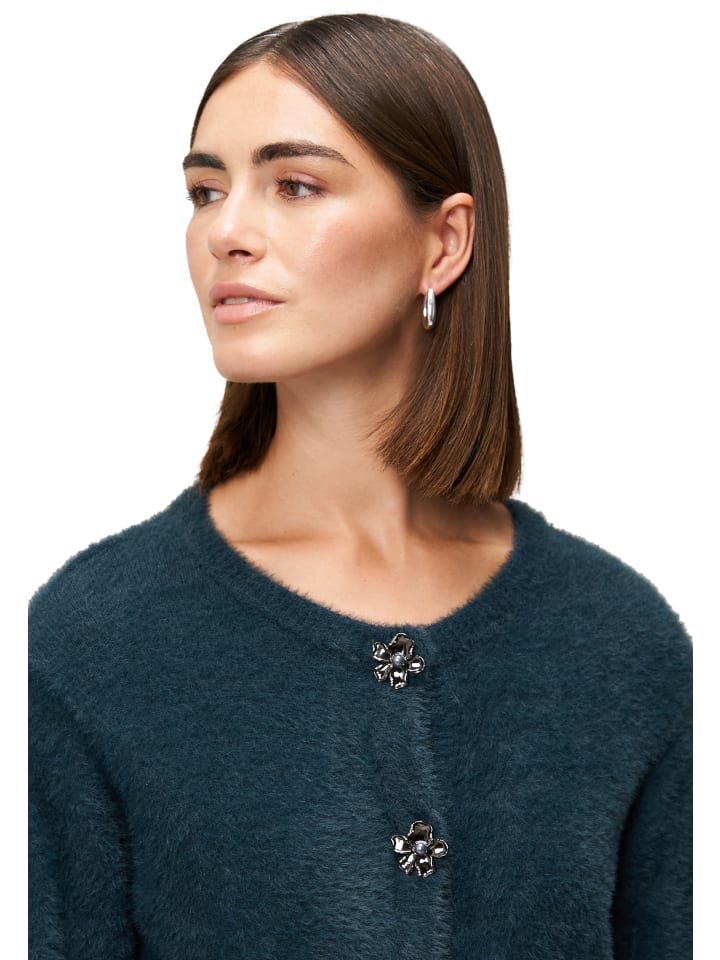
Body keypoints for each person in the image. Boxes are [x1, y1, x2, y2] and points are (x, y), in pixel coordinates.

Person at [28, 13, 692, 959]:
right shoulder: (91, 641)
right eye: (205, 190)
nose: (226, 232)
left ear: (444, 243)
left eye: (295, 185)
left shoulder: (621, 643)